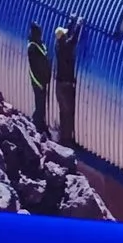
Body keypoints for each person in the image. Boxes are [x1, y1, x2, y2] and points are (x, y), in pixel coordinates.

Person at [53, 17, 81, 150]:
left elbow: (67, 35)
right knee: (69, 113)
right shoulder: (66, 47)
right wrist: (79, 25)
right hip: (66, 86)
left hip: (59, 85)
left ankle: (63, 138)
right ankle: (67, 140)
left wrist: (71, 21)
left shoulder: (59, 46)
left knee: (63, 112)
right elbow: (73, 39)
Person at [24, 22, 49, 133]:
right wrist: (40, 83)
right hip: (38, 81)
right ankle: (36, 126)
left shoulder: (38, 44)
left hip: (42, 80)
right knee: (39, 104)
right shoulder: (32, 48)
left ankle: (40, 124)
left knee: (42, 104)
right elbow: (35, 67)